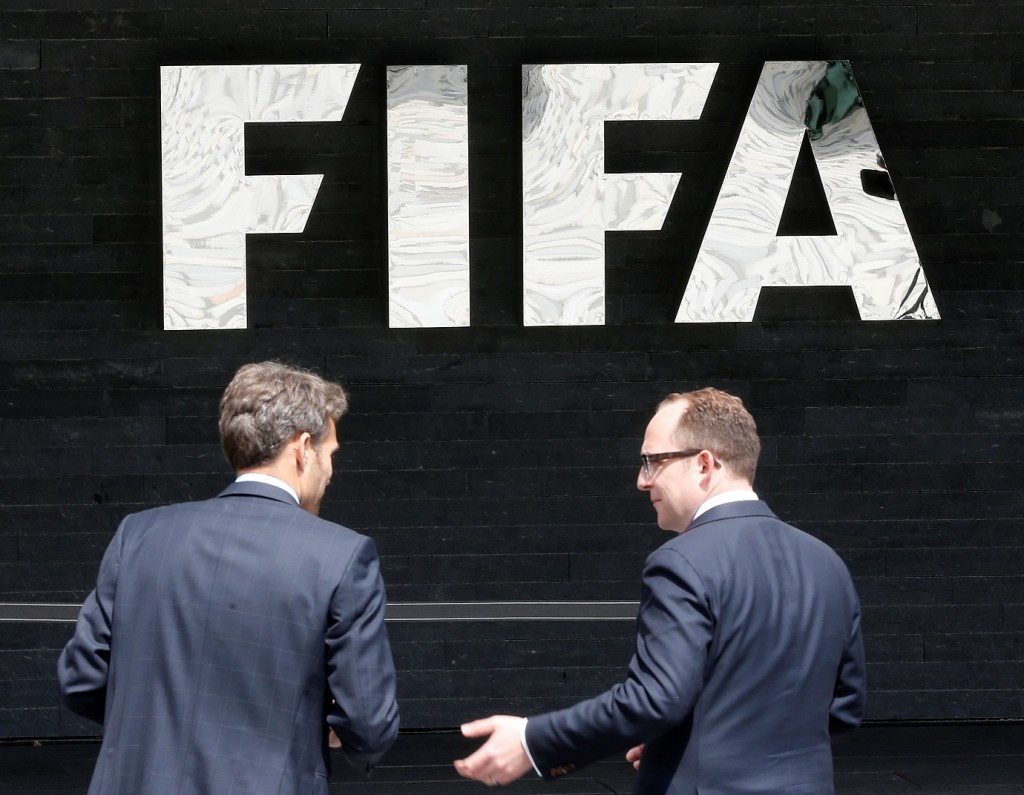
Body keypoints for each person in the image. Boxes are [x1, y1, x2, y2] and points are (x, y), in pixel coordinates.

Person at [454, 387, 866, 794]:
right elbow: (843, 708)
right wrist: (687, 738)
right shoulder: (827, 562)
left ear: (704, 463)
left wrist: (531, 741)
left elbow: (656, 700)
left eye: (653, 461)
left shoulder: (681, 562)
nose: (641, 480)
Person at [58, 361, 399, 795]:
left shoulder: (139, 535)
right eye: (330, 454)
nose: (330, 471)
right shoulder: (342, 556)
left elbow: (81, 680)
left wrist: (162, 725)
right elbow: (369, 725)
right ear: (302, 447)